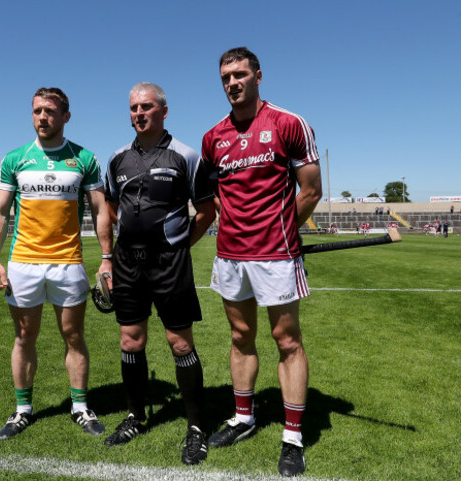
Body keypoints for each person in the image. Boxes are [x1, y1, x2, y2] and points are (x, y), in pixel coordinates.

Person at [201, 47, 322, 477]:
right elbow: (216, 195)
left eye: (239, 74)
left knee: (286, 340)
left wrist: (281, 229)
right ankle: (244, 418)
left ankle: (292, 437)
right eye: (225, 78)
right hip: (231, 255)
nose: (232, 83)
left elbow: (310, 189)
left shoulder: (288, 123)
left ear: (258, 75)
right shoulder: (213, 137)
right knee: (240, 335)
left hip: (276, 254)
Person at [0, 87, 113, 440]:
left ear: (65, 116)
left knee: (73, 336)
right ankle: (23, 410)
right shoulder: (15, 158)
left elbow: (102, 211)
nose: (43, 117)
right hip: (23, 263)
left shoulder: (84, 158)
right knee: (25, 337)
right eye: (37, 111)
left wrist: (106, 259)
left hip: (68, 262)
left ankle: (80, 407)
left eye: (50, 111)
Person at [101, 82, 216, 465]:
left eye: (146, 107)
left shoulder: (186, 156)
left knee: (180, 344)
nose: (139, 113)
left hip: (170, 263)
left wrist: (179, 244)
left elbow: (205, 211)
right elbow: (112, 209)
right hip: (127, 262)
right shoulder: (116, 158)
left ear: (164, 111)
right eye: (133, 107)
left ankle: (197, 426)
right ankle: (135, 414)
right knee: (130, 341)